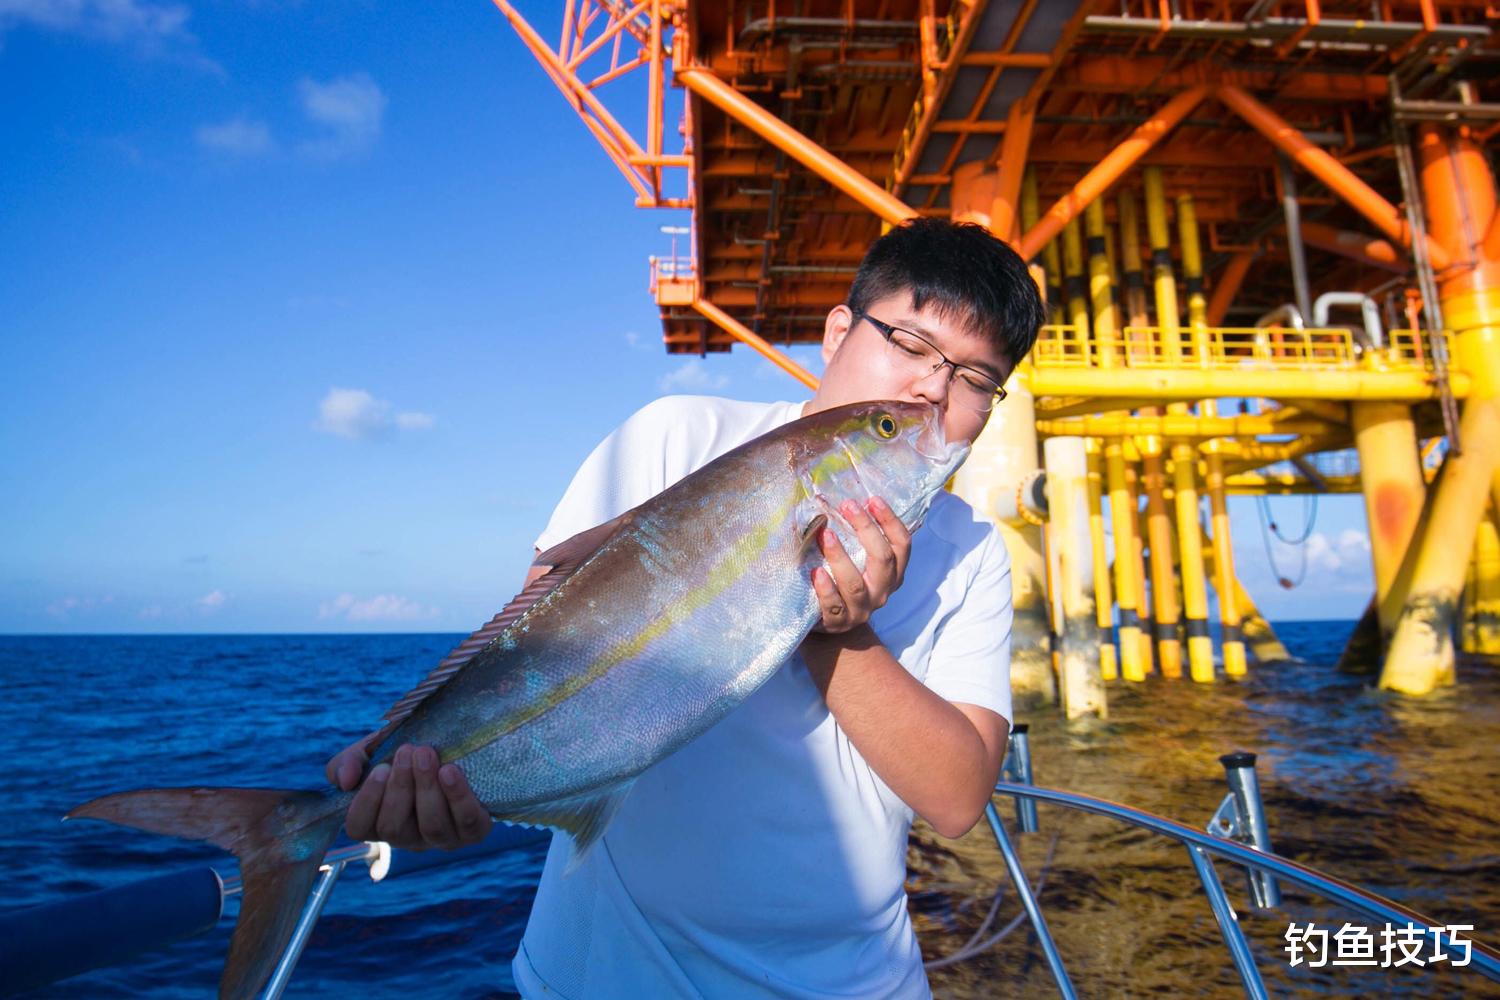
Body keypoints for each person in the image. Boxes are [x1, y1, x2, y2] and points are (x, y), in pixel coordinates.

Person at [326, 217, 1046, 998]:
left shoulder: (974, 552)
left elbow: (956, 798)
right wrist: (418, 755)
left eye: (976, 379)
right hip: (603, 973)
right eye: (909, 344)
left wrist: (837, 631)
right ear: (839, 331)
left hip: (857, 982)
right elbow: (538, 636)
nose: (932, 392)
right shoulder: (677, 438)